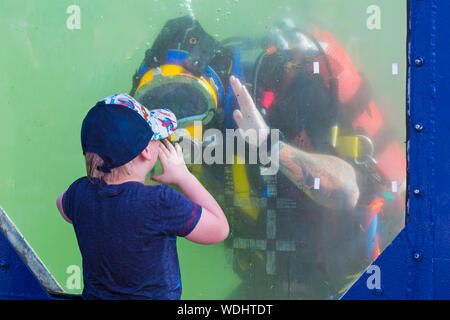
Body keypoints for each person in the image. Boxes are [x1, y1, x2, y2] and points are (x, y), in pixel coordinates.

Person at [130, 16, 405, 299]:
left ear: (212, 86)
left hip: (349, 272)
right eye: (160, 105)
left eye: (189, 100)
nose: (179, 121)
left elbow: (347, 189)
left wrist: (268, 144)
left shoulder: (288, 96)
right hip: (268, 278)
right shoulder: (167, 143)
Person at [56, 93, 229, 299]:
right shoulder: (160, 202)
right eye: (158, 139)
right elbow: (219, 229)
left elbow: (61, 204)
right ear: (147, 151)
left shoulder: (80, 193)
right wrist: (184, 177)